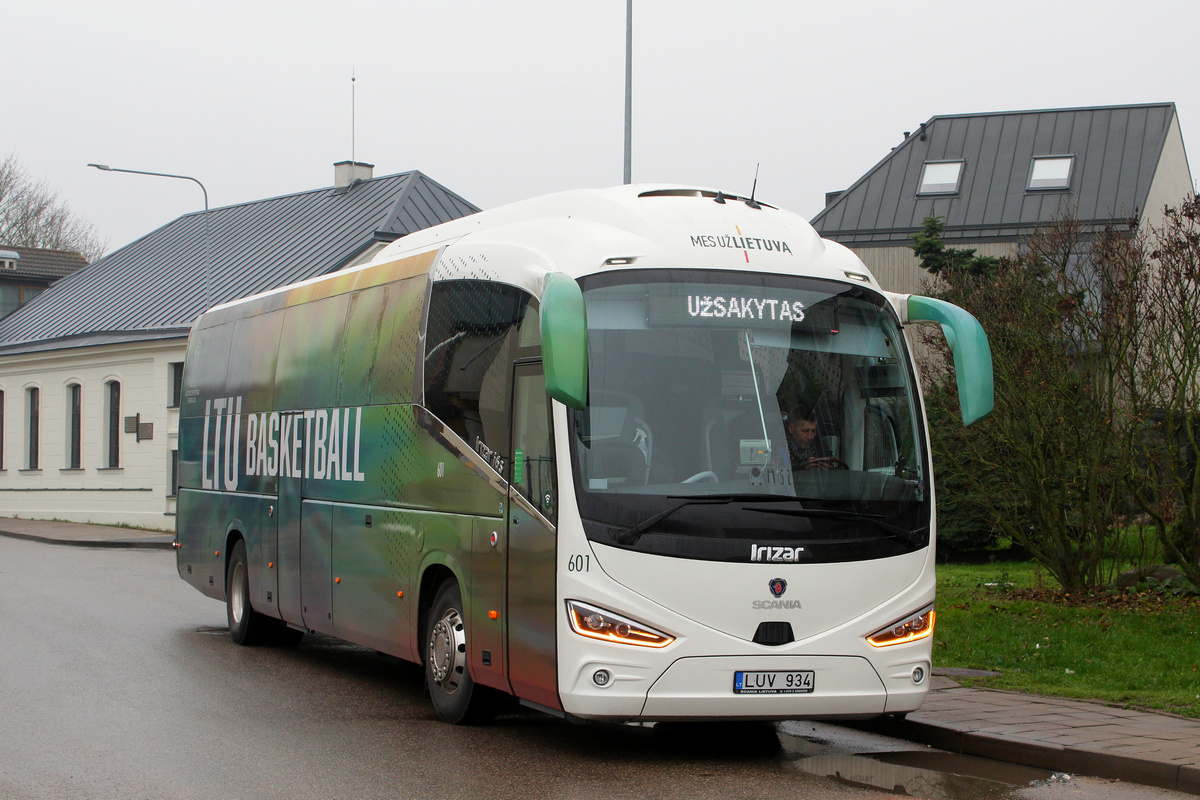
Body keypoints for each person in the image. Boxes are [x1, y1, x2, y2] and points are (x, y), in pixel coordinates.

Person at [786, 403, 840, 471]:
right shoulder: (779, 448)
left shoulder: (820, 448)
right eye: (805, 431)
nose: (810, 437)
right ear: (791, 428)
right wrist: (803, 469)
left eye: (813, 431)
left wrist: (829, 469)